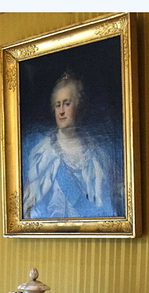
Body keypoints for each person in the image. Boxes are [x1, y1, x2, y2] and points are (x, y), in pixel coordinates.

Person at [23, 72, 124, 219]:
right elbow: (29, 208)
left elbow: (118, 198)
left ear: (78, 106)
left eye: (67, 103)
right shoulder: (42, 154)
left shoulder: (98, 155)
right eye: (57, 105)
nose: (61, 111)